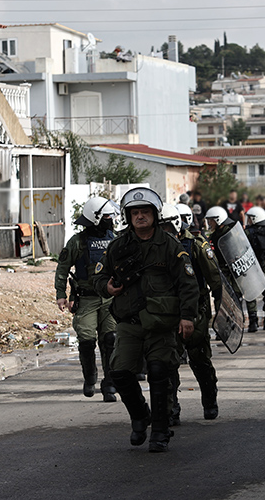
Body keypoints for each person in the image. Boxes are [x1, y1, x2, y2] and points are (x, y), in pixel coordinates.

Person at [91, 188, 199, 453]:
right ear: (128, 216)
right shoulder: (118, 246)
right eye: (135, 212)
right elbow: (98, 277)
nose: (140, 216)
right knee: (120, 372)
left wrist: (187, 317)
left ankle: (161, 431)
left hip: (161, 324)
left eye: (145, 212)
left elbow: (188, 283)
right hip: (128, 321)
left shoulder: (170, 245)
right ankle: (140, 416)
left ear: (154, 214)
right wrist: (108, 287)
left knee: (160, 373)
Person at [54, 197, 118, 402]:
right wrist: (61, 294)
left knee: (110, 340)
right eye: (107, 216)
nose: (110, 220)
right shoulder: (77, 242)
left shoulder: (115, 239)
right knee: (87, 341)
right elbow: (62, 268)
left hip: (110, 299)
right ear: (96, 218)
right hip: (87, 299)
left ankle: (109, 384)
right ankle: (90, 377)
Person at [166, 204, 222, 423]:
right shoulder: (157, 244)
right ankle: (171, 409)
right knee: (168, 361)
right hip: (168, 310)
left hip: (196, 308)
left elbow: (214, 277)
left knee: (199, 359)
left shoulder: (196, 244)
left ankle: (210, 400)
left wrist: (220, 309)